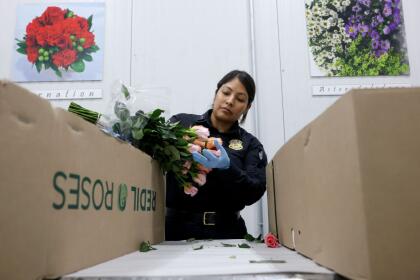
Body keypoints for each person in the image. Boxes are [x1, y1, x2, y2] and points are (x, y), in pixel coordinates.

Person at [165, 70, 267, 240]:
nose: (230, 101)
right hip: (176, 231)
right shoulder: (181, 124)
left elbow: (254, 192)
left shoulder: (251, 144)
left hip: (228, 233)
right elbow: (154, 160)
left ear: (247, 107)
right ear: (216, 93)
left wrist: (228, 168)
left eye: (240, 99)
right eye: (226, 92)